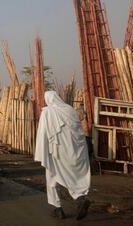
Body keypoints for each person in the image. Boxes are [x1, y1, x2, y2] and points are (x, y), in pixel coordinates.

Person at [34, 91, 91, 220]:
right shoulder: (70, 110)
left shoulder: (47, 112)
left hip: (56, 152)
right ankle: (80, 198)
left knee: (52, 179)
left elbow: (43, 134)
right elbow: (78, 132)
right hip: (72, 151)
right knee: (72, 176)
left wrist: (41, 152)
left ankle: (58, 209)